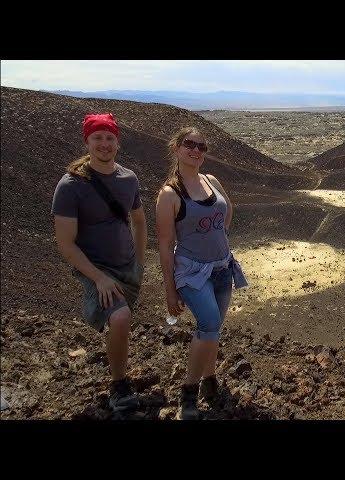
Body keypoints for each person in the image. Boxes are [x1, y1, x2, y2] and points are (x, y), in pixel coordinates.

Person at [52, 113, 147, 414]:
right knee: (120, 319)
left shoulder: (128, 178)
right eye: (98, 138)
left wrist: (140, 261)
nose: (104, 144)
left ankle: (116, 356)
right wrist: (99, 278)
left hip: (126, 266)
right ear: (87, 141)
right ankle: (119, 385)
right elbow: (66, 244)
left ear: (117, 142)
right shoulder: (70, 186)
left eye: (109, 138)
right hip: (96, 269)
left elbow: (140, 221)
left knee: (121, 321)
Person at [156, 126, 247, 420]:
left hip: (222, 267)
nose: (195, 150)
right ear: (176, 148)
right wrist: (170, 290)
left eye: (201, 146)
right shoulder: (170, 195)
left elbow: (228, 209)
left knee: (213, 330)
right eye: (189, 144)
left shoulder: (212, 181)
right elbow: (166, 244)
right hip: (193, 272)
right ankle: (188, 395)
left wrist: (219, 237)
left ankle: (210, 381)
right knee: (207, 324)